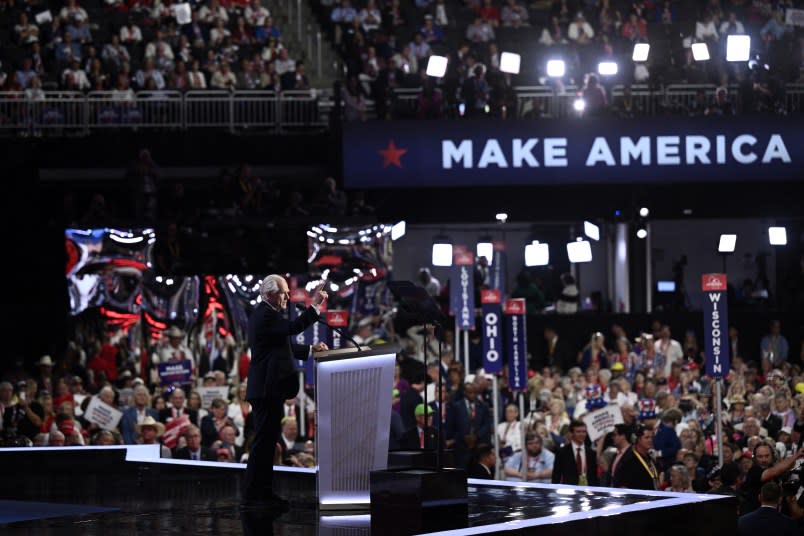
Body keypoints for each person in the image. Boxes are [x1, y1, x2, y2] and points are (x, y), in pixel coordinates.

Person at [241, 275, 328, 509]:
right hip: (266, 390)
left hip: (271, 390)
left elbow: (283, 344)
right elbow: (293, 328)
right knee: (262, 445)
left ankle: (263, 494)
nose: (288, 297)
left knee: (268, 445)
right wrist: (315, 305)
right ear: (269, 294)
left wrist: (311, 348)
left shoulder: (269, 315)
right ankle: (253, 497)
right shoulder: (265, 315)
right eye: (284, 293)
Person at [551, 420, 598, 485]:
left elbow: (594, 477)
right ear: (571, 433)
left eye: (584, 432)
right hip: (568, 490)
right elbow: (556, 476)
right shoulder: (562, 452)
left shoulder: (591, 453)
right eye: (578, 432)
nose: (582, 434)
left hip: (587, 490)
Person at [613, 423, 659, 490]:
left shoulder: (649, 457)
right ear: (638, 439)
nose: (650, 440)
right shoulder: (629, 460)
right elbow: (622, 486)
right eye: (647, 437)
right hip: (637, 498)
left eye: (652, 437)